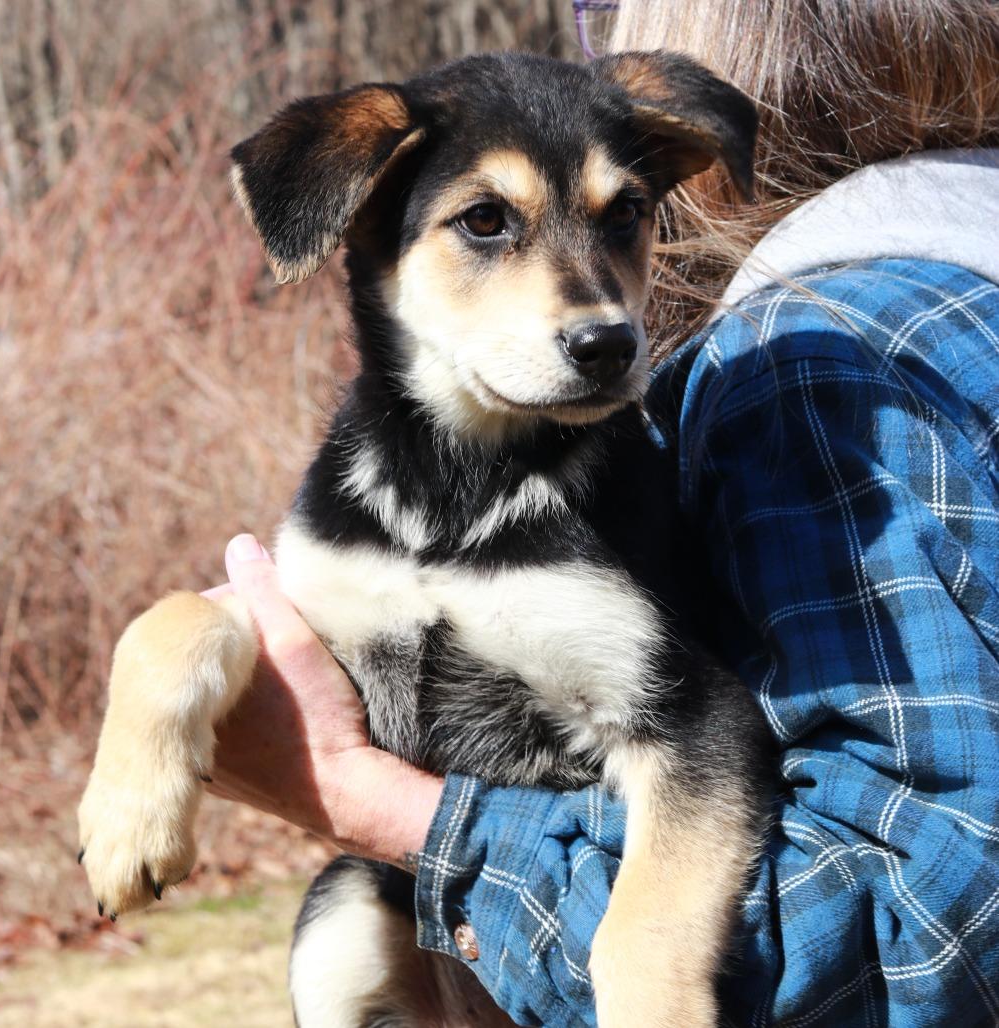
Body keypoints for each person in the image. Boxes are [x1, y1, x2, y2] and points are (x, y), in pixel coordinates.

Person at [205, 1, 999, 1024]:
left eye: (602, 9)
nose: (592, 39)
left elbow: (910, 929)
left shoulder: (816, 367)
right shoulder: (961, 295)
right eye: (486, 224)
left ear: (747, 45)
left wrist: (369, 802)